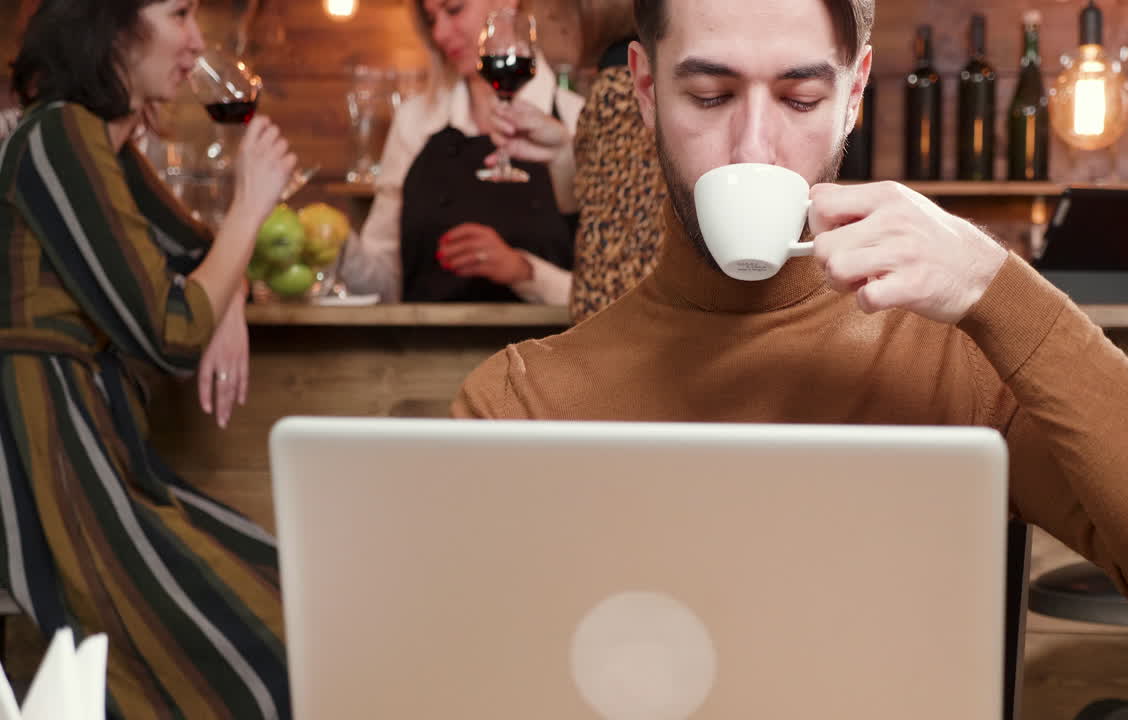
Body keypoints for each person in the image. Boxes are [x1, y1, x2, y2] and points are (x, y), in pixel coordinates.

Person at [455, 0, 1128, 635]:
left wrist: (1001, 287)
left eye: (801, 97)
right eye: (708, 95)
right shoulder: (527, 400)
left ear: (854, 96)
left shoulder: (957, 368)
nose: (753, 147)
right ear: (642, 88)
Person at [2, 0, 296, 717]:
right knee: (266, 631)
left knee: (288, 589)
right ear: (112, 27)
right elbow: (170, 332)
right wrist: (251, 207)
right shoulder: (59, 133)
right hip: (51, 457)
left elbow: (202, 261)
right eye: (179, 12)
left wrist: (226, 298)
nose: (197, 41)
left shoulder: (101, 146)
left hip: (97, 447)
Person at [342, 0, 584, 304]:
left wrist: (524, 271)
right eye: (432, 20)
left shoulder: (578, 120)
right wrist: (338, 247)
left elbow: (609, 293)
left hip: (545, 349)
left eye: (454, 9)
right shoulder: (414, 122)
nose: (440, 34)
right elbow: (384, 281)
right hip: (426, 348)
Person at [488, 0, 667, 322]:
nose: (535, 23)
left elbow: (611, 272)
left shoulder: (616, 93)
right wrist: (564, 156)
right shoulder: (641, 83)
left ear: (570, 13)